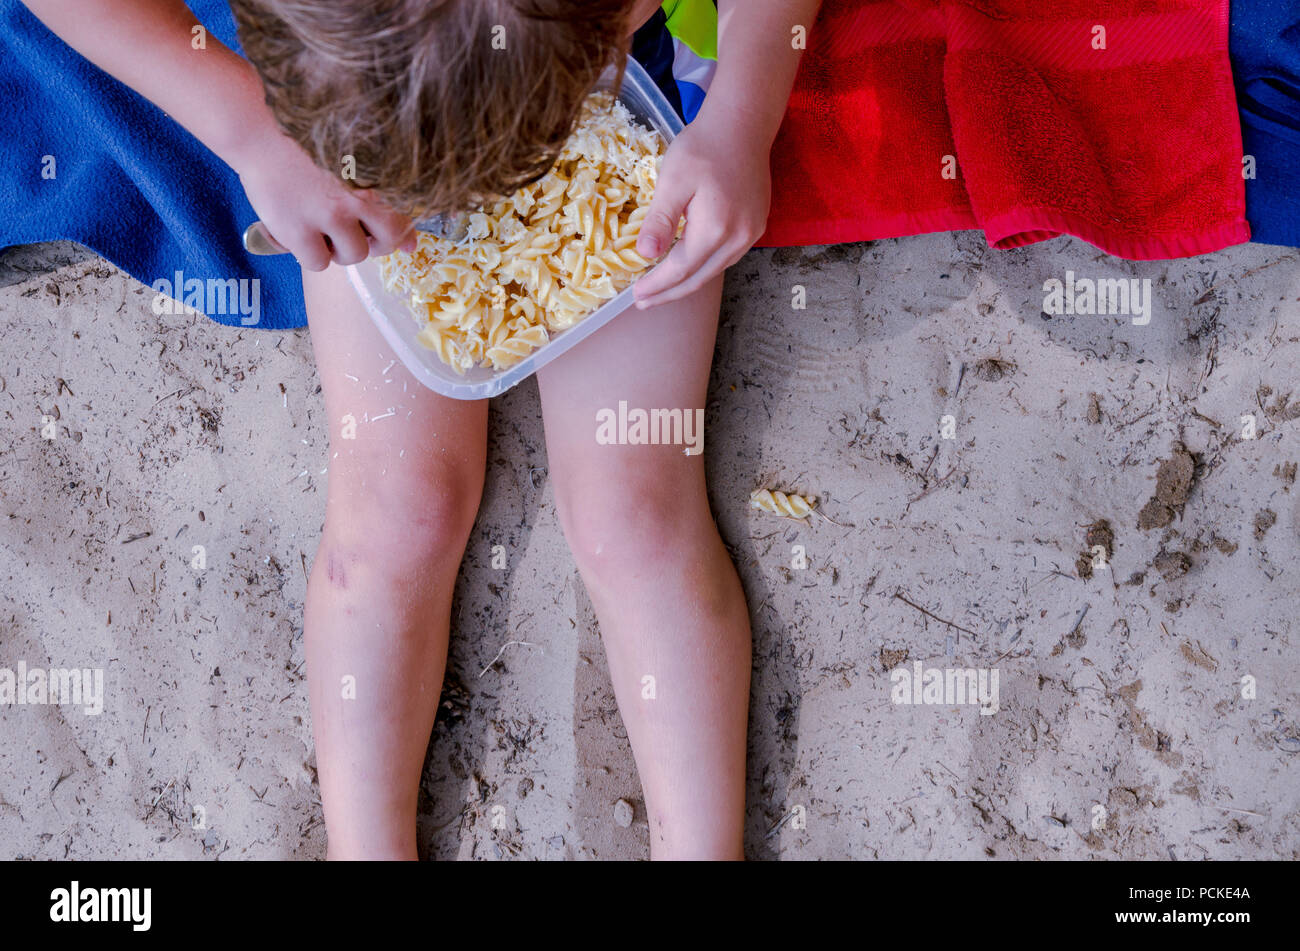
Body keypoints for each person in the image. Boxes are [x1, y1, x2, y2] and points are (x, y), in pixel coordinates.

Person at [11, 0, 819, 859]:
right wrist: (253, 129)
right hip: (352, 135)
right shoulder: (345, 106)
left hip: (616, 126)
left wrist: (741, 114)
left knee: (634, 519)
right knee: (398, 510)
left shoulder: (595, 57)